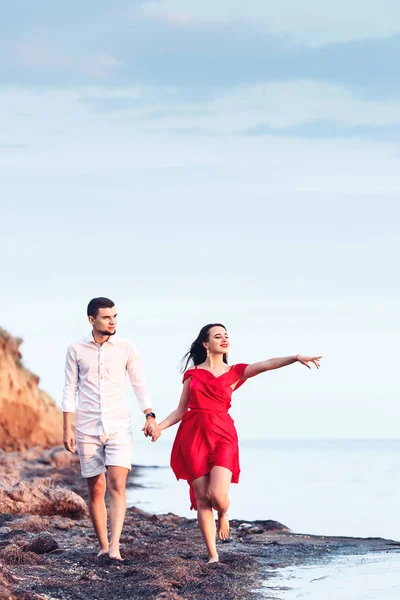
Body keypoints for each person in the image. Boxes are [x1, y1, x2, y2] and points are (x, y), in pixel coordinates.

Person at [151, 323, 321, 563]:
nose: (224, 339)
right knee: (202, 499)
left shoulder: (236, 371)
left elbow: (266, 364)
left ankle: (224, 512)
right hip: (193, 435)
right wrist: (159, 427)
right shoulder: (192, 374)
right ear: (205, 343)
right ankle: (212, 555)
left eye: (226, 336)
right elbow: (180, 410)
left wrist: (294, 358)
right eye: (218, 336)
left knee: (218, 495)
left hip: (223, 435)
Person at [62, 297, 160, 560]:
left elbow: (139, 383)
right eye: (106, 317)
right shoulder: (76, 348)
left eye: (114, 316)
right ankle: (103, 545)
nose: (112, 321)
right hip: (86, 427)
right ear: (92, 320)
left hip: (119, 425)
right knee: (96, 488)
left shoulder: (127, 347)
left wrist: (149, 415)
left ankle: (115, 547)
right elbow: (69, 388)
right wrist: (67, 427)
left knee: (117, 484)